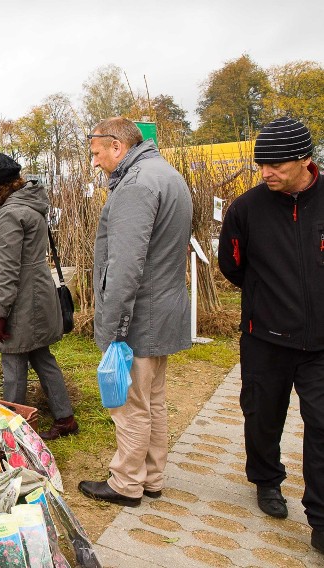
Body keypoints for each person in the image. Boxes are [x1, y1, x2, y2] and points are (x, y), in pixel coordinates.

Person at [218, 116, 324, 554]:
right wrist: (267, 297)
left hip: (321, 344)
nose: (266, 173)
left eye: (276, 164)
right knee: (262, 415)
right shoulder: (246, 208)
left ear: (306, 160)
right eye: (261, 164)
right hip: (264, 336)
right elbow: (232, 265)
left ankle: (319, 519)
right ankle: (266, 480)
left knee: (322, 426)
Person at [78, 117, 192, 507]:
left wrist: (113, 328)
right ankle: (152, 477)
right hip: (163, 309)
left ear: (117, 146)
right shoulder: (168, 175)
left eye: (96, 153)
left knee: (128, 405)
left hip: (140, 315)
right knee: (153, 399)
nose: (94, 162)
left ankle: (126, 482)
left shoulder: (135, 185)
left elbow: (125, 266)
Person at [0, 152, 78, 440]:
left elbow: (8, 270)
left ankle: (12, 430)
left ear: (0, 185)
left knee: (12, 360)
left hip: (22, 300)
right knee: (41, 356)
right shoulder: (31, 203)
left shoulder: (10, 214)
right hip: (39, 293)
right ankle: (65, 417)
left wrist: (1, 313)